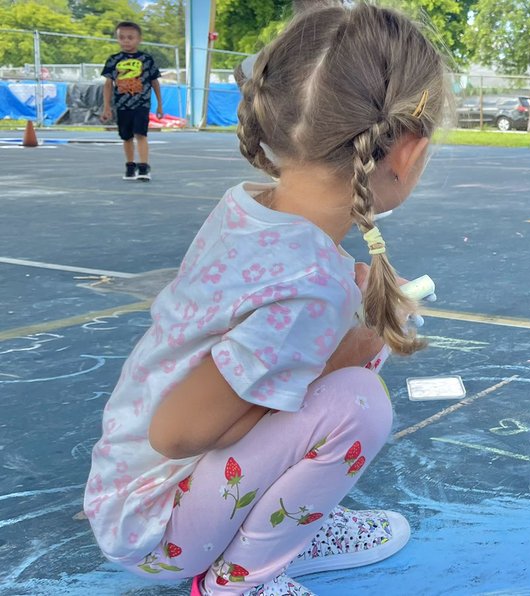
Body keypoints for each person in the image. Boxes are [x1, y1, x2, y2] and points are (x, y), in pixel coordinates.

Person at [83, 5, 445, 594]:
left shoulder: (250, 204)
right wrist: (336, 361)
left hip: (129, 495)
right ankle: (243, 577)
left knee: (353, 371)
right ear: (406, 150)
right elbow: (177, 433)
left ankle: (287, 531)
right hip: (155, 531)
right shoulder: (309, 285)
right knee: (359, 402)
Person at [101, 21, 163, 181]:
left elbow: (155, 82)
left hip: (141, 104)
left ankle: (143, 166)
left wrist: (160, 105)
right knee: (126, 136)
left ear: (139, 39)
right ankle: (130, 165)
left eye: (130, 37)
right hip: (122, 105)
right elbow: (108, 84)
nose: (126, 41)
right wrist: (106, 106)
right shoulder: (113, 60)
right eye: (122, 38)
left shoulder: (146, 59)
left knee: (140, 133)